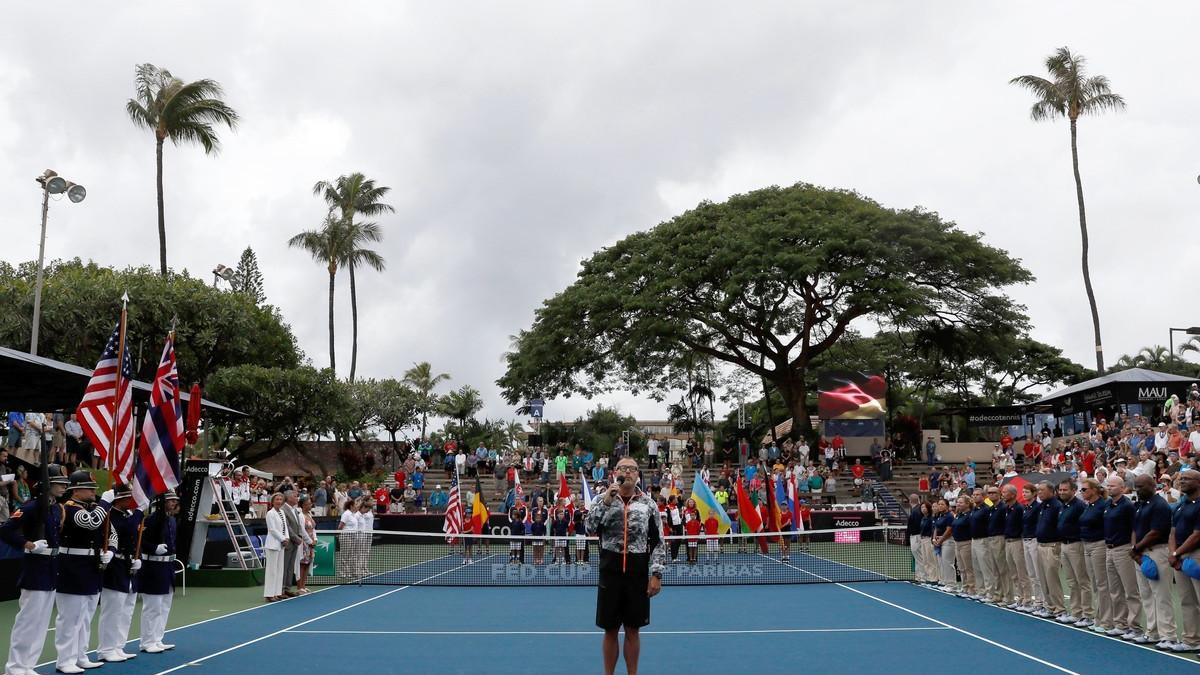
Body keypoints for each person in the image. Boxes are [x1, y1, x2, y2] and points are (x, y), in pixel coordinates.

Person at [587, 457, 664, 675]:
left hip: (637, 572)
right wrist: (606, 502)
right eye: (623, 468)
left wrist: (656, 573)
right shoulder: (601, 500)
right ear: (614, 472)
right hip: (609, 571)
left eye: (632, 469)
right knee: (610, 630)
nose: (627, 472)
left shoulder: (648, 504)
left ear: (638, 474)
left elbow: (658, 541)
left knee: (633, 630)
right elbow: (589, 528)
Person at [2, 464, 69, 675]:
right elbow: (5, 530)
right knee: (28, 622)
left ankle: (28, 665)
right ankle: (15, 667)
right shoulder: (32, 507)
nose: (62, 487)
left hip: (50, 569)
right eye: (59, 483)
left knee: (41, 624)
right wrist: (29, 544)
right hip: (35, 569)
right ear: (47, 484)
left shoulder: (55, 508)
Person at [54, 470, 111, 673]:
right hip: (72, 566)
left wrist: (110, 551)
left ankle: (80, 655)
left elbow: (109, 530)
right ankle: (64, 660)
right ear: (76, 490)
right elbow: (91, 522)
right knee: (70, 616)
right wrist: (105, 504)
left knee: (86, 615)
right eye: (90, 488)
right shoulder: (69, 509)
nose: (94, 492)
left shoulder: (94, 508)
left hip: (91, 565)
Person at [97, 484, 143, 663]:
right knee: (113, 610)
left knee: (126, 609)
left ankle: (118, 645)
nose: (130, 501)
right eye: (126, 498)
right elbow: (127, 528)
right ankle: (106, 649)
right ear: (117, 500)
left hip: (128, 564)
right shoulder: (110, 516)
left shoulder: (127, 515)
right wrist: (139, 511)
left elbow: (134, 534)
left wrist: (137, 559)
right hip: (115, 565)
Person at [1132, 473, 1176, 646]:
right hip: (1141, 554)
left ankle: (1168, 635)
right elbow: (1135, 529)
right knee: (1146, 594)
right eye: (1136, 486)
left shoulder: (1160, 505)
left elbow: (1155, 532)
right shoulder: (1140, 505)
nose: (1138, 489)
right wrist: (1135, 550)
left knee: (1161, 594)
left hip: (1157, 551)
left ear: (1153, 485)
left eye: (1141, 486)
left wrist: (1137, 548)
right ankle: (1153, 631)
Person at [139, 490, 180, 653]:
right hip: (154, 566)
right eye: (170, 500)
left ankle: (157, 638)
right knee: (153, 607)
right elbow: (141, 540)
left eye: (174, 500)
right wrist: (153, 548)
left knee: (164, 606)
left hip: (167, 566)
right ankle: (147, 641)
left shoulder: (171, 520)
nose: (173, 503)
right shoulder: (151, 519)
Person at [1101, 475, 1140, 639]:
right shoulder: (1108, 505)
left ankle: (1135, 626)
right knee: (1115, 590)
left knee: (1130, 590)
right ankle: (1120, 623)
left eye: (1113, 486)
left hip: (1123, 549)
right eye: (1108, 486)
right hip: (1109, 549)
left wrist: (1133, 547)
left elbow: (1134, 528)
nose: (1109, 488)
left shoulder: (1127, 506)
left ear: (1122, 488)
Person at [1168, 469, 1200, 651]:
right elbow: (1173, 531)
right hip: (1180, 557)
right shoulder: (1181, 505)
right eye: (1181, 479)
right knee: (1187, 600)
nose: (1182, 481)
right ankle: (1191, 640)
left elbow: (1197, 536)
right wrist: (1174, 554)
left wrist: (1176, 553)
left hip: (1196, 555)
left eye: (1187, 479)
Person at [1077, 477, 1111, 634]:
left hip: (1098, 544)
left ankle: (1106, 620)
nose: (1082, 492)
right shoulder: (1088, 506)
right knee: (1095, 584)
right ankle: (1099, 617)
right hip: (1087, 545)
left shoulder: (1102, 506)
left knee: (1102, 584)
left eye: (1084, 489)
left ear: (1094, 490)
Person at [1056, 479, 1092, 626]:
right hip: (1064, 545)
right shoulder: (1063, 506)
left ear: (1073, 490)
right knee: (1071, 581)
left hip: (1076, 545)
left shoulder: (1079, 506)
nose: (1062, 492)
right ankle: (1076, 612)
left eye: (1065, 490)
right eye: (1060, 490)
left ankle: (1088, 614)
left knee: (1082, 581)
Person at [1034, 481, 1066, 619]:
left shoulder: (1056, 506)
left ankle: (1059, 608)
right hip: (1040, 545)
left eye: (1042, 490)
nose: (1039, 492)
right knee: (1043, 579)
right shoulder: (1043, 506)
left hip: (1052, 545)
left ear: (1052, 491)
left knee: (1052, 579)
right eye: (1038, 490)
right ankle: (1050, 606)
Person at [1000, 484, 1029, 610]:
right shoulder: (1006, 508)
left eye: (1005, 492)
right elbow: (989, 503)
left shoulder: (1019, 508)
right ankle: (1020, 597)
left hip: (1017, 541)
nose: (1003, 494)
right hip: (1008, 542)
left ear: (1012, 494)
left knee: (1022, 572)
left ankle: (1027, 599)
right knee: (1013, 573)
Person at [951, 496, 976, 597]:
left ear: (967, 504)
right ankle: (964, 587)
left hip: (966, 543)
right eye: (957, 503)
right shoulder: (958, 515)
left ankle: (972, 588)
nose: (958, 504)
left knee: (968, 567)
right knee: (961, 567)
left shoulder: (970, 515)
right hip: (957, 543)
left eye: (961, 503)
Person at [296, 495, 316, 594]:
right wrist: (309, 541)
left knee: (307, 564)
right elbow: (302, 530)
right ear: (303, 505)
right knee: (302, 564)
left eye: (310, 503)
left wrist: (315, 539)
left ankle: (304, 586)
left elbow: (313, 529)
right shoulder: (300, 516)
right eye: (308, 504)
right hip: (304, 544)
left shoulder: (310, 514)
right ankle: (299, 587)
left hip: (311, 544)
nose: (310, 505)